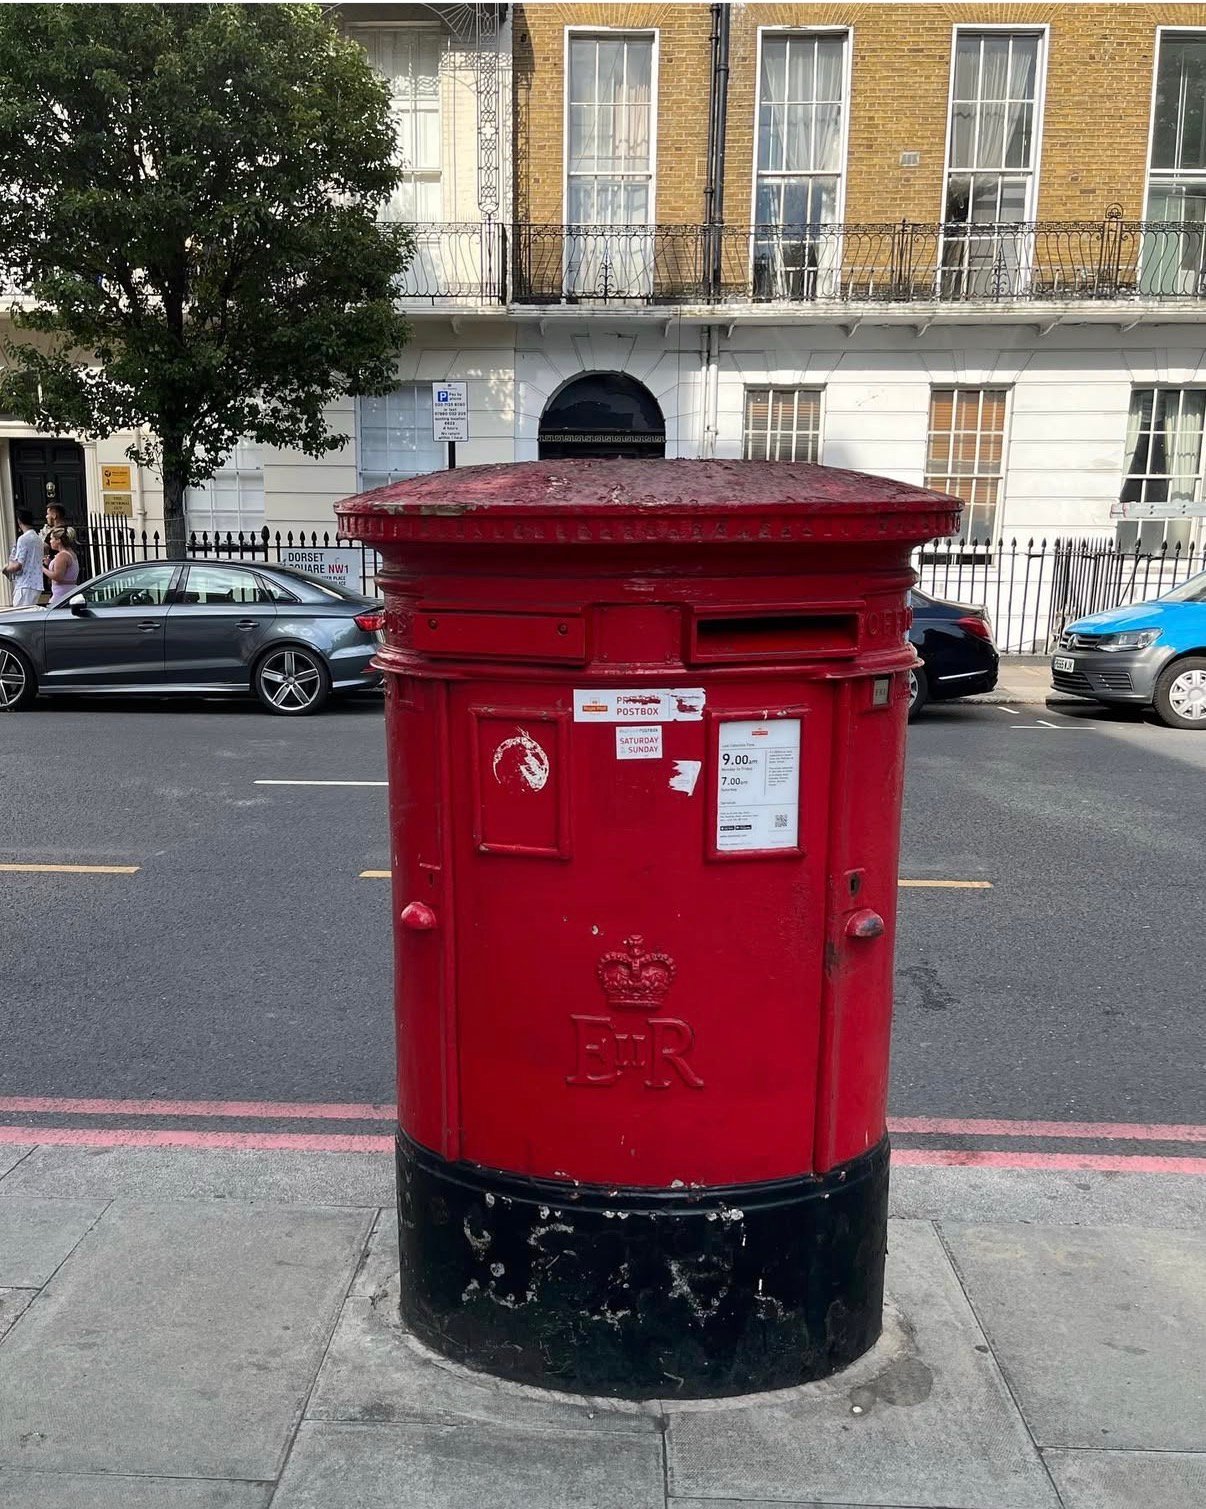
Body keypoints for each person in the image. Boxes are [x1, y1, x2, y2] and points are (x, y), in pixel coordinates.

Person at [3, 509, 44, 608]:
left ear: (19, 521)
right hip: (36, 584)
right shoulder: (38, 539)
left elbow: (18, 565)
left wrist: (5, 568)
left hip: (25, 584)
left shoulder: (23, 539)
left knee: (19, 615)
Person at [45, 528, 80, 607]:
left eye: (52, 539)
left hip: (61, 594)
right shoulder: (70, 553)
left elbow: (57, 576)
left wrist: (42, 569)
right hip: (68, 591)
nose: (50, 541)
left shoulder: (62, 556)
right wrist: (49, 563)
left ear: (58, 541)